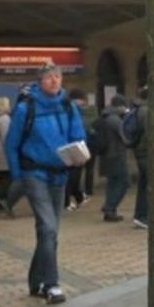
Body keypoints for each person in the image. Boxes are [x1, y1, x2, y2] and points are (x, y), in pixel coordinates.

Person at [5, 63, 86, 305]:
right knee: (49, 227)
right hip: (34, 174)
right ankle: (52, 285)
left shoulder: (68, 106)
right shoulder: (24, 109)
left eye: (58, 77)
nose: (54, 81)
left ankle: (35, 282)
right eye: (49, 77)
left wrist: (78, 153)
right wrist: (18, 176)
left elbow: (78, 136)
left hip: (59, 175)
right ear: (40, 81)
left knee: (49, 232)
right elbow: (11, 144)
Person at [97, 94, 130, 222]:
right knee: (123, 182)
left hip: (107, 155)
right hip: (116, 154)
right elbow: (125, 137)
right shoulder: (115, 120)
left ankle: (110, 211)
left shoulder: (105, 116)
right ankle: (109, 207)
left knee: (112, 183)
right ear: (120, 106)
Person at [64, 89, 92, 211]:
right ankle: (66, 202)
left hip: (68, 145)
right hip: (75, 146)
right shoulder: (74, 109)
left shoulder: (66, 108)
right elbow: (79, 129)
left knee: (73, 175)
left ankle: (78, 198)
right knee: (73, 176)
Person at [130, 87, 149, 230]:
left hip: (141, 152)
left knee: (144, 184)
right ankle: (143, 216)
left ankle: (139, 216)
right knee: (148, 185)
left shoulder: (140, 109)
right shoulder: (146, 111)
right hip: (146, 152)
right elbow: (149, 133)